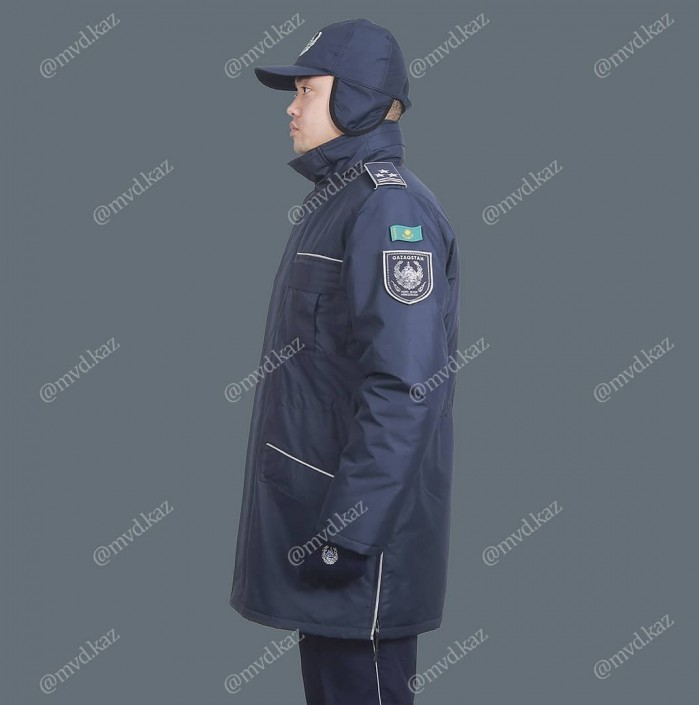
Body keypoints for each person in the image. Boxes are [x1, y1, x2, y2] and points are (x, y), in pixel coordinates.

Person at [229, 18, 461, 704]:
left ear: (356, 99)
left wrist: (350, 532)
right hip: (323, 527)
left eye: (307, 89)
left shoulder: (389, 212)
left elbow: (406, 384)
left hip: (362, 549)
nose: (292, 107)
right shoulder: (338, 203)